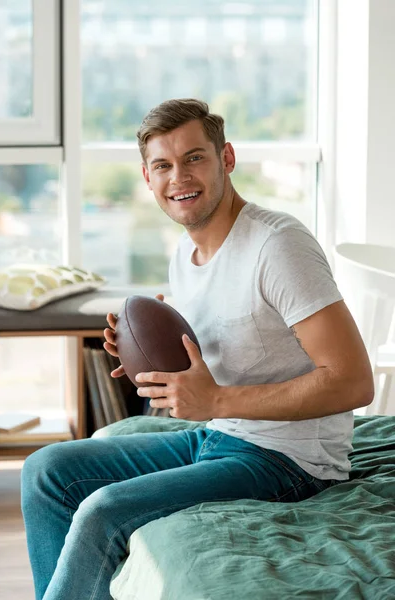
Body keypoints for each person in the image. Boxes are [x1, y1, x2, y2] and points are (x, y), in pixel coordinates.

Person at [21, 98, 374, 600]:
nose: (178, 177)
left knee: (104, 510)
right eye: (163, 165)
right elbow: (211, 360)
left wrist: (216, 403)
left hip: (290, 461)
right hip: (217, 439)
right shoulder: (183, 256)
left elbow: (353, 381)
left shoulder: (278, 246)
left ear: (226, 158)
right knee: (45, 472)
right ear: (147, 178)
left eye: (194, 158)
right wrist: (140, 357)